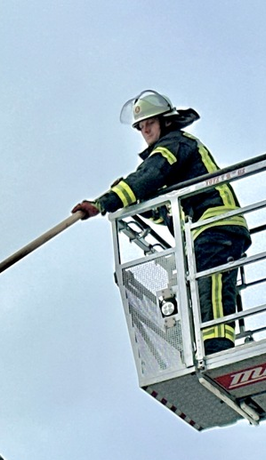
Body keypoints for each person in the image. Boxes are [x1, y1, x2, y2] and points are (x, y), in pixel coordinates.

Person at [72, 90, 250, 355]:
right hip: (202, 229)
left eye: (149, 124)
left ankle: (216, 348)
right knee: (208, 288)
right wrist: (136, 204)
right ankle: (212, 345)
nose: (145, 130)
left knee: (210, 285)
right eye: (141, 127)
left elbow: (150, 175)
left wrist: (103, 203)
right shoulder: (173, 156)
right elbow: (165, 210)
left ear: (166, 121)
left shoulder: (175, 144)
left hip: (214, 223)